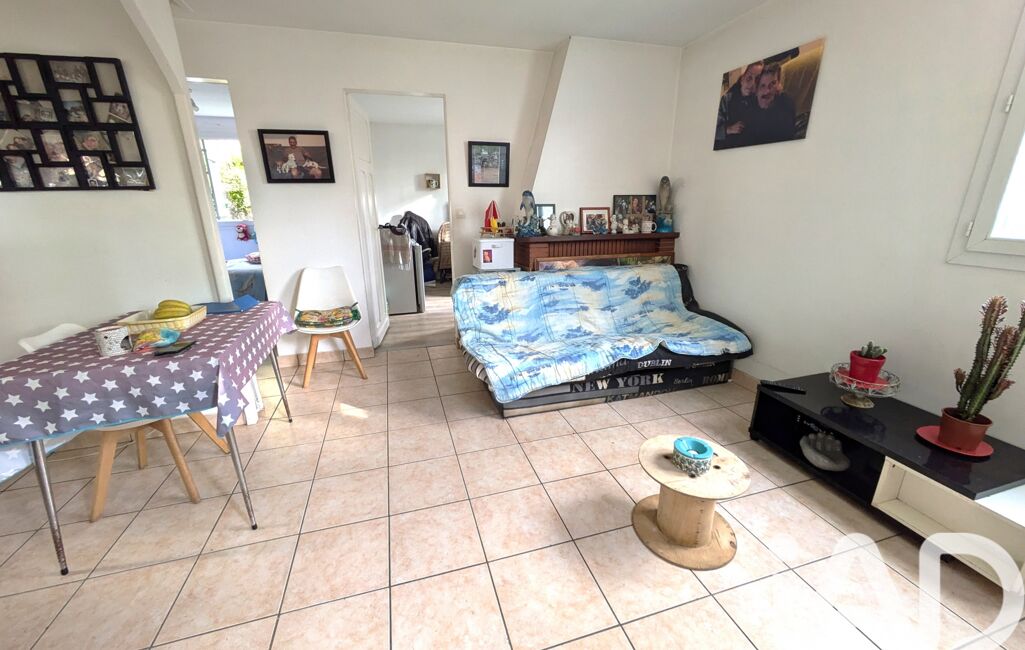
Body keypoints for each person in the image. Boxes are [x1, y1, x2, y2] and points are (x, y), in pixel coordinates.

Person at [741, 63, 797, 146]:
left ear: (778, 84)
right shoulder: (746, 107)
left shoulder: (786, 102)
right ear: (756, 89)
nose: (767, 91)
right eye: (763, 86)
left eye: (773, 83)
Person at [714, 61, 763, 149]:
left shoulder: (760, 101)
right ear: (742, 79)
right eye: (749, 78)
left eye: (757, 80)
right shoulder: (727, 100)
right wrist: (729, 129)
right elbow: (712, 132)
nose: (752, 84)